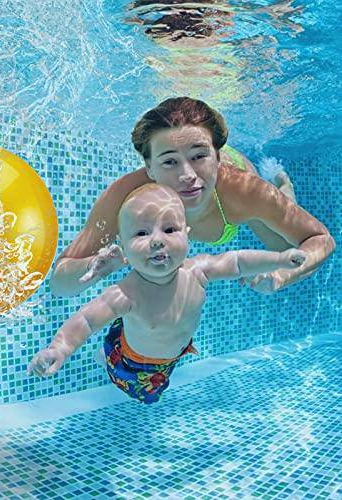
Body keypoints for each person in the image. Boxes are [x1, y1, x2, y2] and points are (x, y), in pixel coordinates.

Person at [28, 184, 306, 404]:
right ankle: (105, 357)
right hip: (132, 362)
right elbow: (87, 320)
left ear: (187, 234)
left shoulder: (198, 271)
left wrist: (279, 259)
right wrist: (60, 348)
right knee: (146, 397)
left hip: (173, 353)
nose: (158, 240)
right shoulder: (126, 294)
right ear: (123, 247)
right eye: (141, 233)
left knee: (157, 384)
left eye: (170, 229)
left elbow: (238, 262)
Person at [49, 97, 334, 297]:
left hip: (231, 191)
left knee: (285, 250)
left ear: (217, 157)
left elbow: (321, 240)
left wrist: (280, 276)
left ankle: (283, 184)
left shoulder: (244, 189)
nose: (187, 175)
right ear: (149, 168)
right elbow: (60, 283)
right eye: (169, 162)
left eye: (199, 157)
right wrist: (94, 267)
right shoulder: (126, 197)